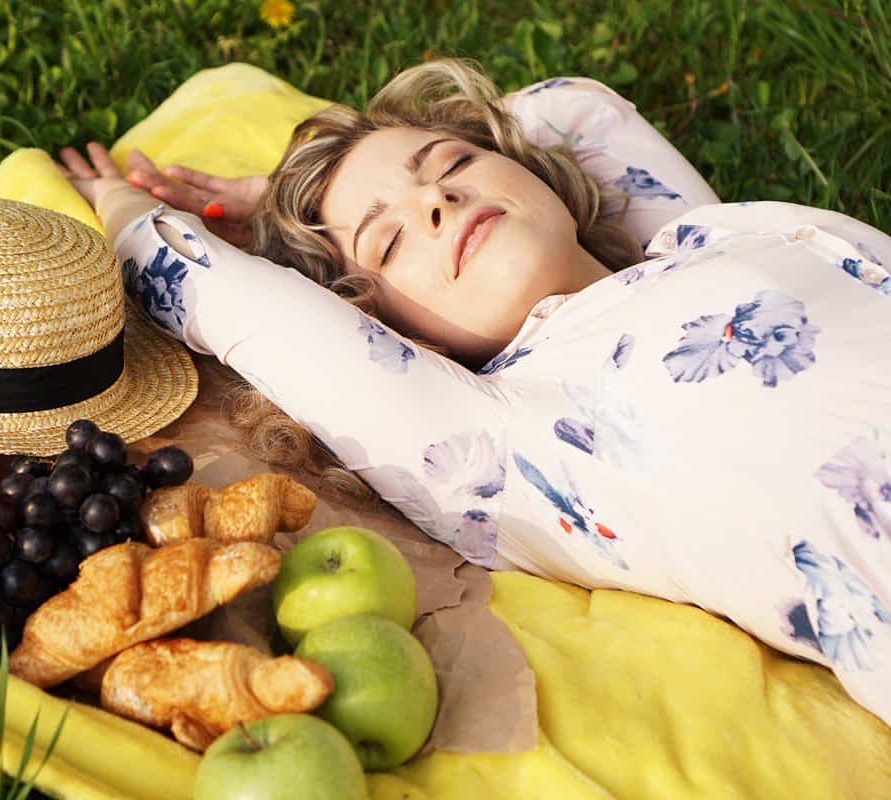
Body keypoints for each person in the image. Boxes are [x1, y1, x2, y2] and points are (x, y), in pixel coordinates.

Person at [59, 59, 891, 726]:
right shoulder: (504, 440)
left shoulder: (692, 234)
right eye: (387, 239)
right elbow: (220, 292)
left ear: (540, 179)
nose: (435, 199)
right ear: (383, 328)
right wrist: (125, 201)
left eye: (454, 163)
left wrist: (277, 190)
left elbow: (570, 111)